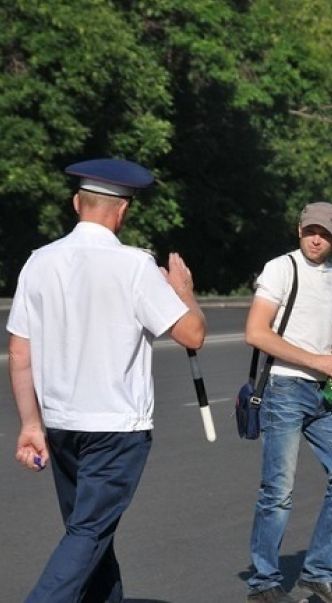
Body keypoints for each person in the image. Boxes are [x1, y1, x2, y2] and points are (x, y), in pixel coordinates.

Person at [7, 158, 206, 603]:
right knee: (89, 532)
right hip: (116, 428)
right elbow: (192, 333)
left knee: (92, 533)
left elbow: (20, 352)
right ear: (123, 211)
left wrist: (30, 424)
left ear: (78, 202)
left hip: (60, 425)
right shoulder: (134, 266)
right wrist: (183, 290)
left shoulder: (39, 262)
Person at [245, 202, 332, 603]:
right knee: (278, 490)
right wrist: (316, 359)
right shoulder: (282, 268)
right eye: (311, 230)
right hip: (285, 389)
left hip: (325, 394)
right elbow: (256, 332)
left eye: (326, 233)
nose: (317, 238)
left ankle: (319, 572)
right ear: (299, 230)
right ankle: (263, 582)